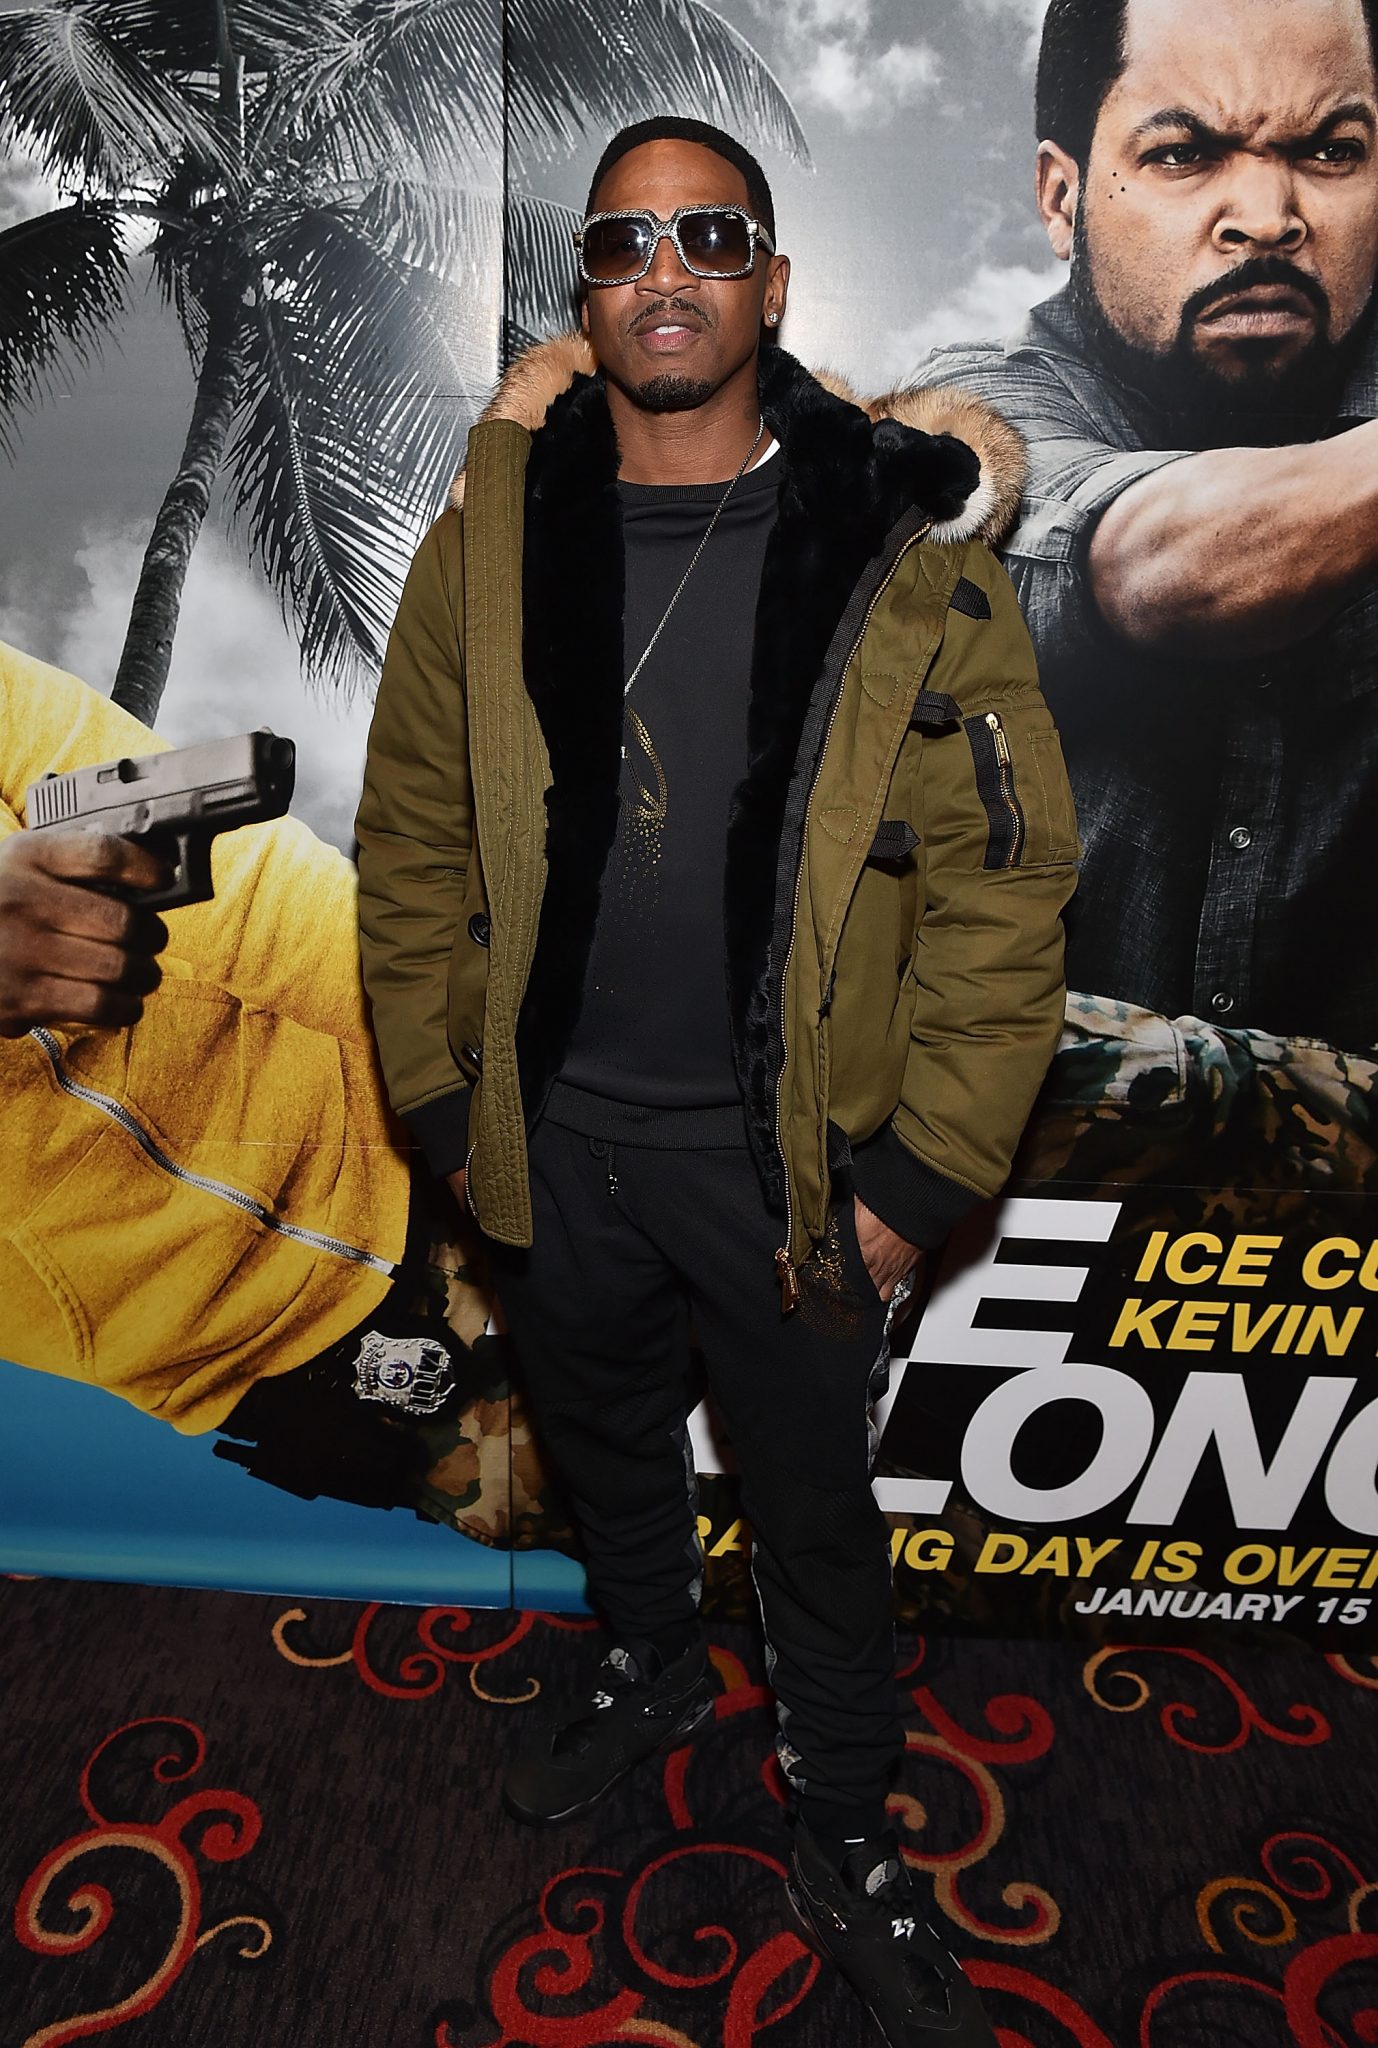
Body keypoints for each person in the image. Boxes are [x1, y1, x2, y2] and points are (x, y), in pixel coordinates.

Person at [357, 116, 1077, 2048]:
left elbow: (1009, 889)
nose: (662, 271)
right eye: (622, 242)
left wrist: (917, 1175)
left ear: (771, 281)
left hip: (794, 1164)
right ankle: (652, 1660)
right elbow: (409, 841)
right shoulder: (484, 551)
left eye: (707, 235)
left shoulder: (906, 559)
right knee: (602, 1439)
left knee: (816, 1515)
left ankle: (842, 1817)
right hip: (547, 1142)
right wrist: (444, 1105)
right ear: (583, 297)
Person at [0, 637, 558, 1548]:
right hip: (285, 1368)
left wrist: (479, 1083)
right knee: (699, 1536)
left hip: (413, 1136)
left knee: (773, 1338)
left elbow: (245, 881)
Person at [918, 0, 1378, 1048]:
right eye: (1182, 154)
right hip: (1028, 1138)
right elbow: (1156, 567)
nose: (1266, 215)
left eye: (1331, 150)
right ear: (1061, 195)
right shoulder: (974, 413)